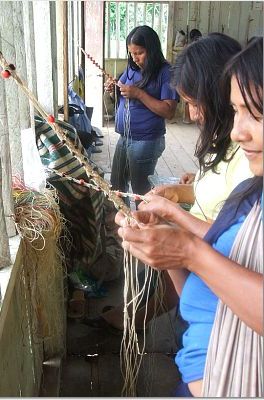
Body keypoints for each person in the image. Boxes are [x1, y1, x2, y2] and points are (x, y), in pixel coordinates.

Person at [115, 37, 263, 397]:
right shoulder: (252, 190)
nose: (237, 130)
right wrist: (171, 246)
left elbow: (218, 256)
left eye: (254, 114)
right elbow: (207, 275)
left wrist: (183, 242)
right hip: (202, 362)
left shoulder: (250, 170)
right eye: (236, 110)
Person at [83, 34, 252, 336]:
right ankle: (133, 316)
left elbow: (238, 241)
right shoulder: (226, 143)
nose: (191, 115)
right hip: (201, 287)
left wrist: (175, 227)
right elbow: (221, 200)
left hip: (215, 297)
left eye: (194, 103)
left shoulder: (250, 159)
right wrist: (175, 196)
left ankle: (133, 318)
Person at [105, 25, 179, 204]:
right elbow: (123, 93)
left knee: (141, 190)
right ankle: (124, 224)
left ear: (151, 50)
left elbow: (169, 111)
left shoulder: (165, 72)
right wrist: (113, 89)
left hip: (146, 140)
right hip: (125, 137)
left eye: (139, 53)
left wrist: (138, 94)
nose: (134, 58)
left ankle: (145, 227)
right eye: (131, 53)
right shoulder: (132, 69)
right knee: (117, 185)